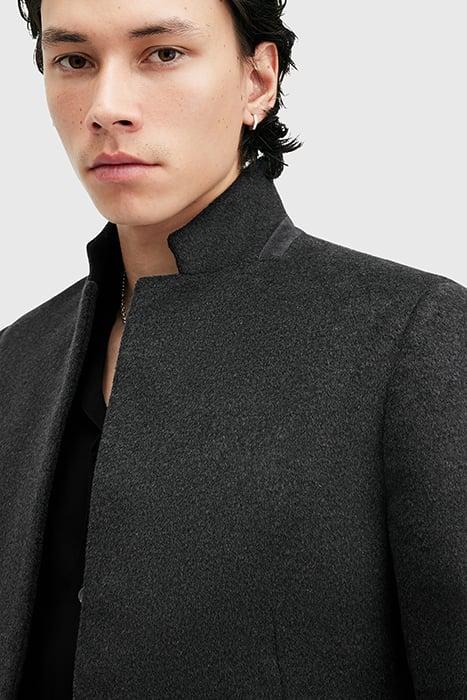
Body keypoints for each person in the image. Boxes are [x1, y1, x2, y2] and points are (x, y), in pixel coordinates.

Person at [1, 0, 465, 698]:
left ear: (257, 80)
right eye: (74, 60)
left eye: (162, 53)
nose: (106, 107)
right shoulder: (16, 360)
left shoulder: (408, 335)